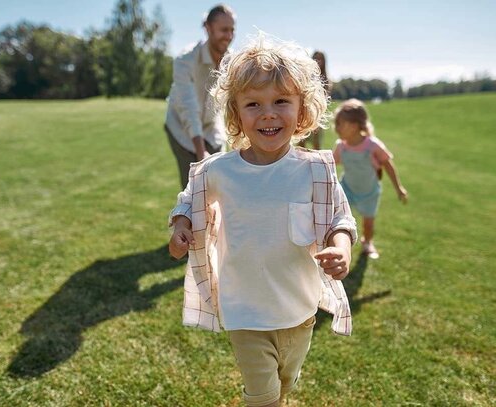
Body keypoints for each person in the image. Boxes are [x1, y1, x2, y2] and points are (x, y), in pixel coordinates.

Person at [168, 34, 357, 407]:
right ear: (236, 115)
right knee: (264, 395)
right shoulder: (219, 171)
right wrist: (181, 227)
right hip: (245, 311)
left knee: (286, 383)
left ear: (302, 110)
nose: (268, 113)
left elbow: (339, 216)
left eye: (281, 102)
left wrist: (341, 247)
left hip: (299, 310)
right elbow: (190, 200)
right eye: (254, 104)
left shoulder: (315, 170)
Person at [164, 4, 235, 189]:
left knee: (220, 184)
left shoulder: (232, 63)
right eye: (223, 30)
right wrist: (201, 152)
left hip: (212, 129)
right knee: (194, 188)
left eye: (232, 30)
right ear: (208, 28)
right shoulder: (185, 60)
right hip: (182, 130)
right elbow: (189, 108)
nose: (228, 36)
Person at [333, 99, 408, 259]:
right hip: (347, 188)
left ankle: (367, 243)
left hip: (369, 192)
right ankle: (335, 243)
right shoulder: (341, 146)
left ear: (353, 126)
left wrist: (398, 187)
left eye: (339, 124)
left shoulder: (372, 145)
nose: (336, 128)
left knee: (368, 222)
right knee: (337, 215)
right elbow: (331, 164)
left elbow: (388, 165)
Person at [297, 50, 331, 150]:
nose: (318, 61)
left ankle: (315, 163)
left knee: (316, 144)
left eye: (320, 59)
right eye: (316, 59)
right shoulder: (306, 76)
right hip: (304, 113)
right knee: (301, 141)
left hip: (318, 115)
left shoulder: (326, 79)